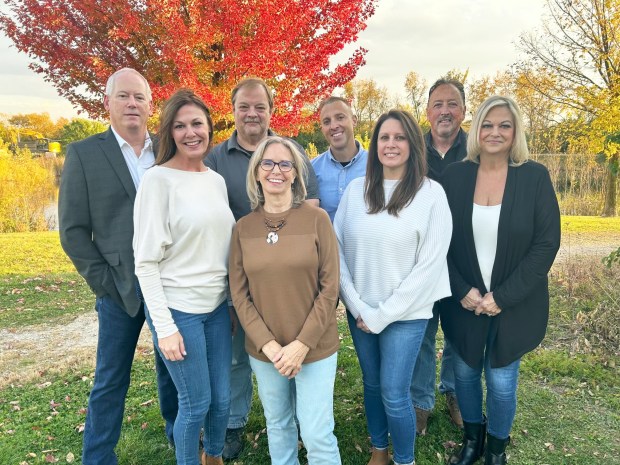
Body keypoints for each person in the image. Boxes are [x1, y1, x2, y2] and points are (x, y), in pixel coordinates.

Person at [58, 68, 177, 465]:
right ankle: (98, 455)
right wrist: (105, 283)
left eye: (139, 97)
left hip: (169, 282)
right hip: (119, 288)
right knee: (110, 380)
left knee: (173, 370)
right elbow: (73, 232)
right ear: (107, 103)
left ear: (150, 104)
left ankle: (179, 437)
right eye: (123, 96)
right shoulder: (84, 154)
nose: (132, 104)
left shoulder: (168, 148)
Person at [441, 96, 561, 465]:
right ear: (476, 129)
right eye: (488, 125)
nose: (495, 132)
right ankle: (472, 439)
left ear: (515, 132)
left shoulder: (534, 176)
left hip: (514, 303)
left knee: (502, 381)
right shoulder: (454, 177)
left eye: (504, 126)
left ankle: (496, 448)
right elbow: (437, 241)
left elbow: (546, 244)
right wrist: (461, 289)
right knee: (463, 372)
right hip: (463, 300)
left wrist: (503, 297)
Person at [204, 77, 319, 460]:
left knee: (295, 341)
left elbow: (311, 205)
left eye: (260, 106)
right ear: (233, 109)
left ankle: (305, 421)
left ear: (271, 110)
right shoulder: (215, 158)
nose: (252, 113)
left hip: (288, 272)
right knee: (239, 353)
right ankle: (235, 422)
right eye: (244, 106)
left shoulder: (292, 152)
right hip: (239, 273)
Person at [335, 110, 452, 465]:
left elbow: (429, 268)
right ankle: (379, 450)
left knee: (394, 392)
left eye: (400, 137)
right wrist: (358, 307)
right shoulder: (357, 190)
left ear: (413, 145)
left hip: (406, 314)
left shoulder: (431, 194)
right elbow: (335, 249)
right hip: (361, 313)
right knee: (372, 384)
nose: (391, 144)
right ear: (375, 146)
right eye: (384, 137)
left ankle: (404, 459)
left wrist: (382, 315)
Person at [133, 89, 235, 465]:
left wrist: (231, 307)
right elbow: (144, 262)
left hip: (217, 310)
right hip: (180, 312)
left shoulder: (216, 180)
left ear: (209, 126)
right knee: (196, 405)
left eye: (197, 123)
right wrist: (165, 328)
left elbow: (220, 251)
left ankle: (214, 457)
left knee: (222, 402)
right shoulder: (157, 181)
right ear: (168, 133)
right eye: (180, 126)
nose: (190, 133)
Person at [229, 136, 341, 465]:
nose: (276, 170)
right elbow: (239, 293)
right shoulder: (242, 229)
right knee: (278, 425)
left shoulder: (317, 220)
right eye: (267, 163)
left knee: (317, 431)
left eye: (285, 163)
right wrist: (269, 346)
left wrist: (301, 345)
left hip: (315, 348)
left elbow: (330, 286)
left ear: (295, 174)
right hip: (267, 354)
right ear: (256, 173)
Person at [412, 78, 468, 435]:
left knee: (460, 335)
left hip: (466, 261)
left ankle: (455, 393)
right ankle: (420, 401)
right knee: (421, 332)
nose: (445, 111)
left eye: (452, 104)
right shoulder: (413, 149)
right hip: (423, 259)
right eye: (438, 104)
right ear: (428, 111)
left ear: (463, 110)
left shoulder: (478, 148)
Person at [312, 96, 368, 222]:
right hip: (326, 242)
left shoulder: (376, 165)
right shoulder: (312, 169)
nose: (333, 126)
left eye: (340, 118)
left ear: (354, 120)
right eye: (326, 122)